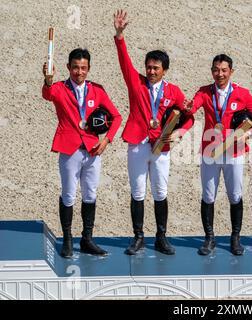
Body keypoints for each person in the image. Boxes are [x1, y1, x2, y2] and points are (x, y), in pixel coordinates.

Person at [113, 10, 194, 255]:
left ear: (164, 70)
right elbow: (124, 60)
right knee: (138, 191)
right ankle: (138, 237)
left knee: (160, 191)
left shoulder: (174, 91)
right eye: (148, 67)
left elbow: (189, 118)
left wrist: (180, 133)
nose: (150, 71)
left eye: (156, 68)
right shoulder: (135, 83)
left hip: (162, 146)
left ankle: (161, 237)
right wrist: (119, 35)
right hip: (137, 143)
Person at [42, 48, 122, 258]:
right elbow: (47, 94)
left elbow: (117, 116)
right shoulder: (59, 88)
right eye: (75, 67)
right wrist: (48, 80)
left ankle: (87, 239)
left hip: (93, 149)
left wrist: (106, 140)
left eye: (83, 68)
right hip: (69, 149)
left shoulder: (96, 90)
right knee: (68, 194)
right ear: (68, 67)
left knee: (90, 194)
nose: (79, 72)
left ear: (89, 69)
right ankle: (67, 240)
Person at [184, 54, 252, 256]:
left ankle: (235, 238)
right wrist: (189, 108)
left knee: (235, 194)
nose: (219, 74)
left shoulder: (242, 94)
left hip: (233, 151)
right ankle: (209, 238)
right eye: (215, 69)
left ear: (231, 71)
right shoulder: (205, 91)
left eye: (223, 70)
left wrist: (249, 134)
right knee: (208, 194)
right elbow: (194, 105)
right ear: (211, 70)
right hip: (210, 151)